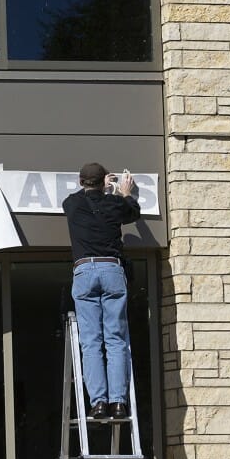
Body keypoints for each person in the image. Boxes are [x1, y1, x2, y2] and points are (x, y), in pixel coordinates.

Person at [61, 162, 141, 422]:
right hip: (111, 270)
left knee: (91, 342)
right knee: (116, 340)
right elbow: (133, 211)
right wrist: (124, 192)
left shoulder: (71, 204)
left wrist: (100, 187)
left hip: (84, 272)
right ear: (103, 181)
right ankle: (118, 402)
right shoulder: (115, 205)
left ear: (81, 181)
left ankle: (98, 404)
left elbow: (84, 196)